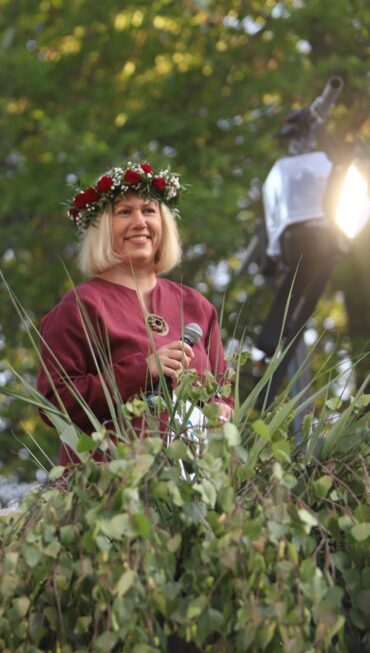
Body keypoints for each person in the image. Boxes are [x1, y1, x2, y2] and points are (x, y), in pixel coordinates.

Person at [36, 161, 234, 464]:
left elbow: (223, 390)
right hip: (112, 481)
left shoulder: (196, 305)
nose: (140, 222)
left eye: (149, 210)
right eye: (125, 212)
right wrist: (144, 370)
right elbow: (54, 403)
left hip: (198, 479)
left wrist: (221, 408)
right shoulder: (80, 305)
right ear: (102, 228)